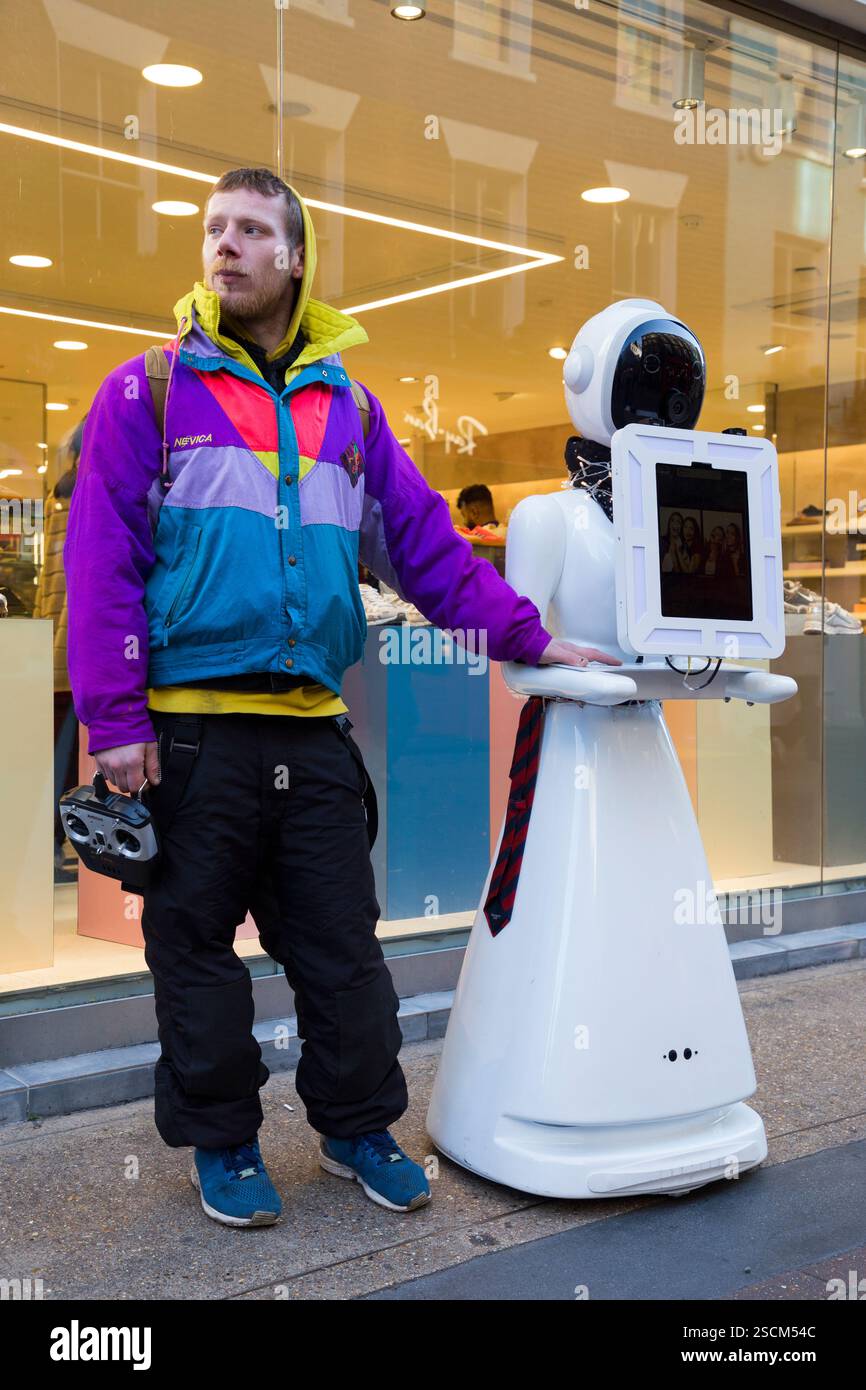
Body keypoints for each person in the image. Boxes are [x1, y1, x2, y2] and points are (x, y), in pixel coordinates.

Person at [63, 166, 619, 1229]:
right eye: (214, 227)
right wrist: (117, 723)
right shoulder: (148, 391)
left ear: (295, 256)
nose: (225, 244)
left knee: (344, 956)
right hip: (190, 736)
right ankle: (223, 1144)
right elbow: (102, 564)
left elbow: (428, 554)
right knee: (195, 959)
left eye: (251, 229)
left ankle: (357, 1127)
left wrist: (531, 636)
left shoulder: (349, 411)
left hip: (312, 734)